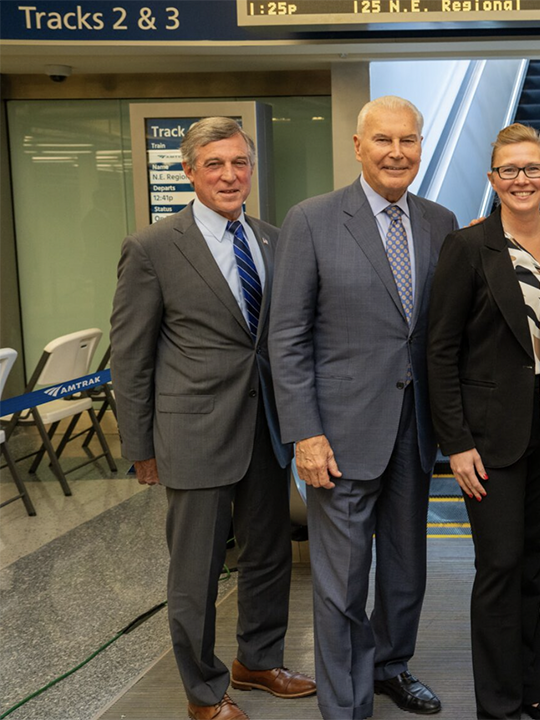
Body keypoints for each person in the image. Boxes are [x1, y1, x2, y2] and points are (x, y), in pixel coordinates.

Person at [111, 116, 315, 720]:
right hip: (192, 433)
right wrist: (140, 447)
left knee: (268, 555)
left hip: (266, 427)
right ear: (189, 171)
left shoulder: (273, 238)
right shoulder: (152, 247)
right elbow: (131, 356)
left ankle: (259, 661)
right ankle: (203, 692)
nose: (230, 175)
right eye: (215, 164)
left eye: (239, 163)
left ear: (252, 169)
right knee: (196, 571)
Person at [269, 96, 458, 720]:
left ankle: (390, 665)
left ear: (421, 146)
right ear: (358, 146)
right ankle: (346, 704)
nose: (397, 153)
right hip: (340, 435)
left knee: (406, 570)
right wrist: (305, 433)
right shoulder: (312, 220)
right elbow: (286, 337)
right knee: (342, 582)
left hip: (416, 428)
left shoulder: (440, 220)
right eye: (383, 140)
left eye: (408, 140)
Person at [427, 123, 540, 720]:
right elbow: (440, 351)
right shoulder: (469, 246)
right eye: (509, 170)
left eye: (533, 168)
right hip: (489, 438)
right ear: (493, 178)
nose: (522, 179)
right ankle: (497, 706)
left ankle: (531, 690)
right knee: (498, 566)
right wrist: (456, 442)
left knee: (530, 565)